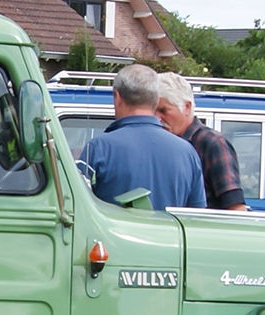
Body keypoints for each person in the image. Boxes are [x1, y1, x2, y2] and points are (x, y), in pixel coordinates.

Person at [80, 64, 206, 211]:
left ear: (117, 97)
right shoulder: (188, 153)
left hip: (114, 234)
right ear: (156, 99)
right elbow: (196, 216)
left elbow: (76, 208)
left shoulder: (97, 149)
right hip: (168, 234)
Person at [155, 72, 249, 211]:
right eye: (153, 110)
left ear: (186, 107)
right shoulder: (160, 145)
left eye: (163, 110)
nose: (157, 118)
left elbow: (236, 208)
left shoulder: (213, 144)